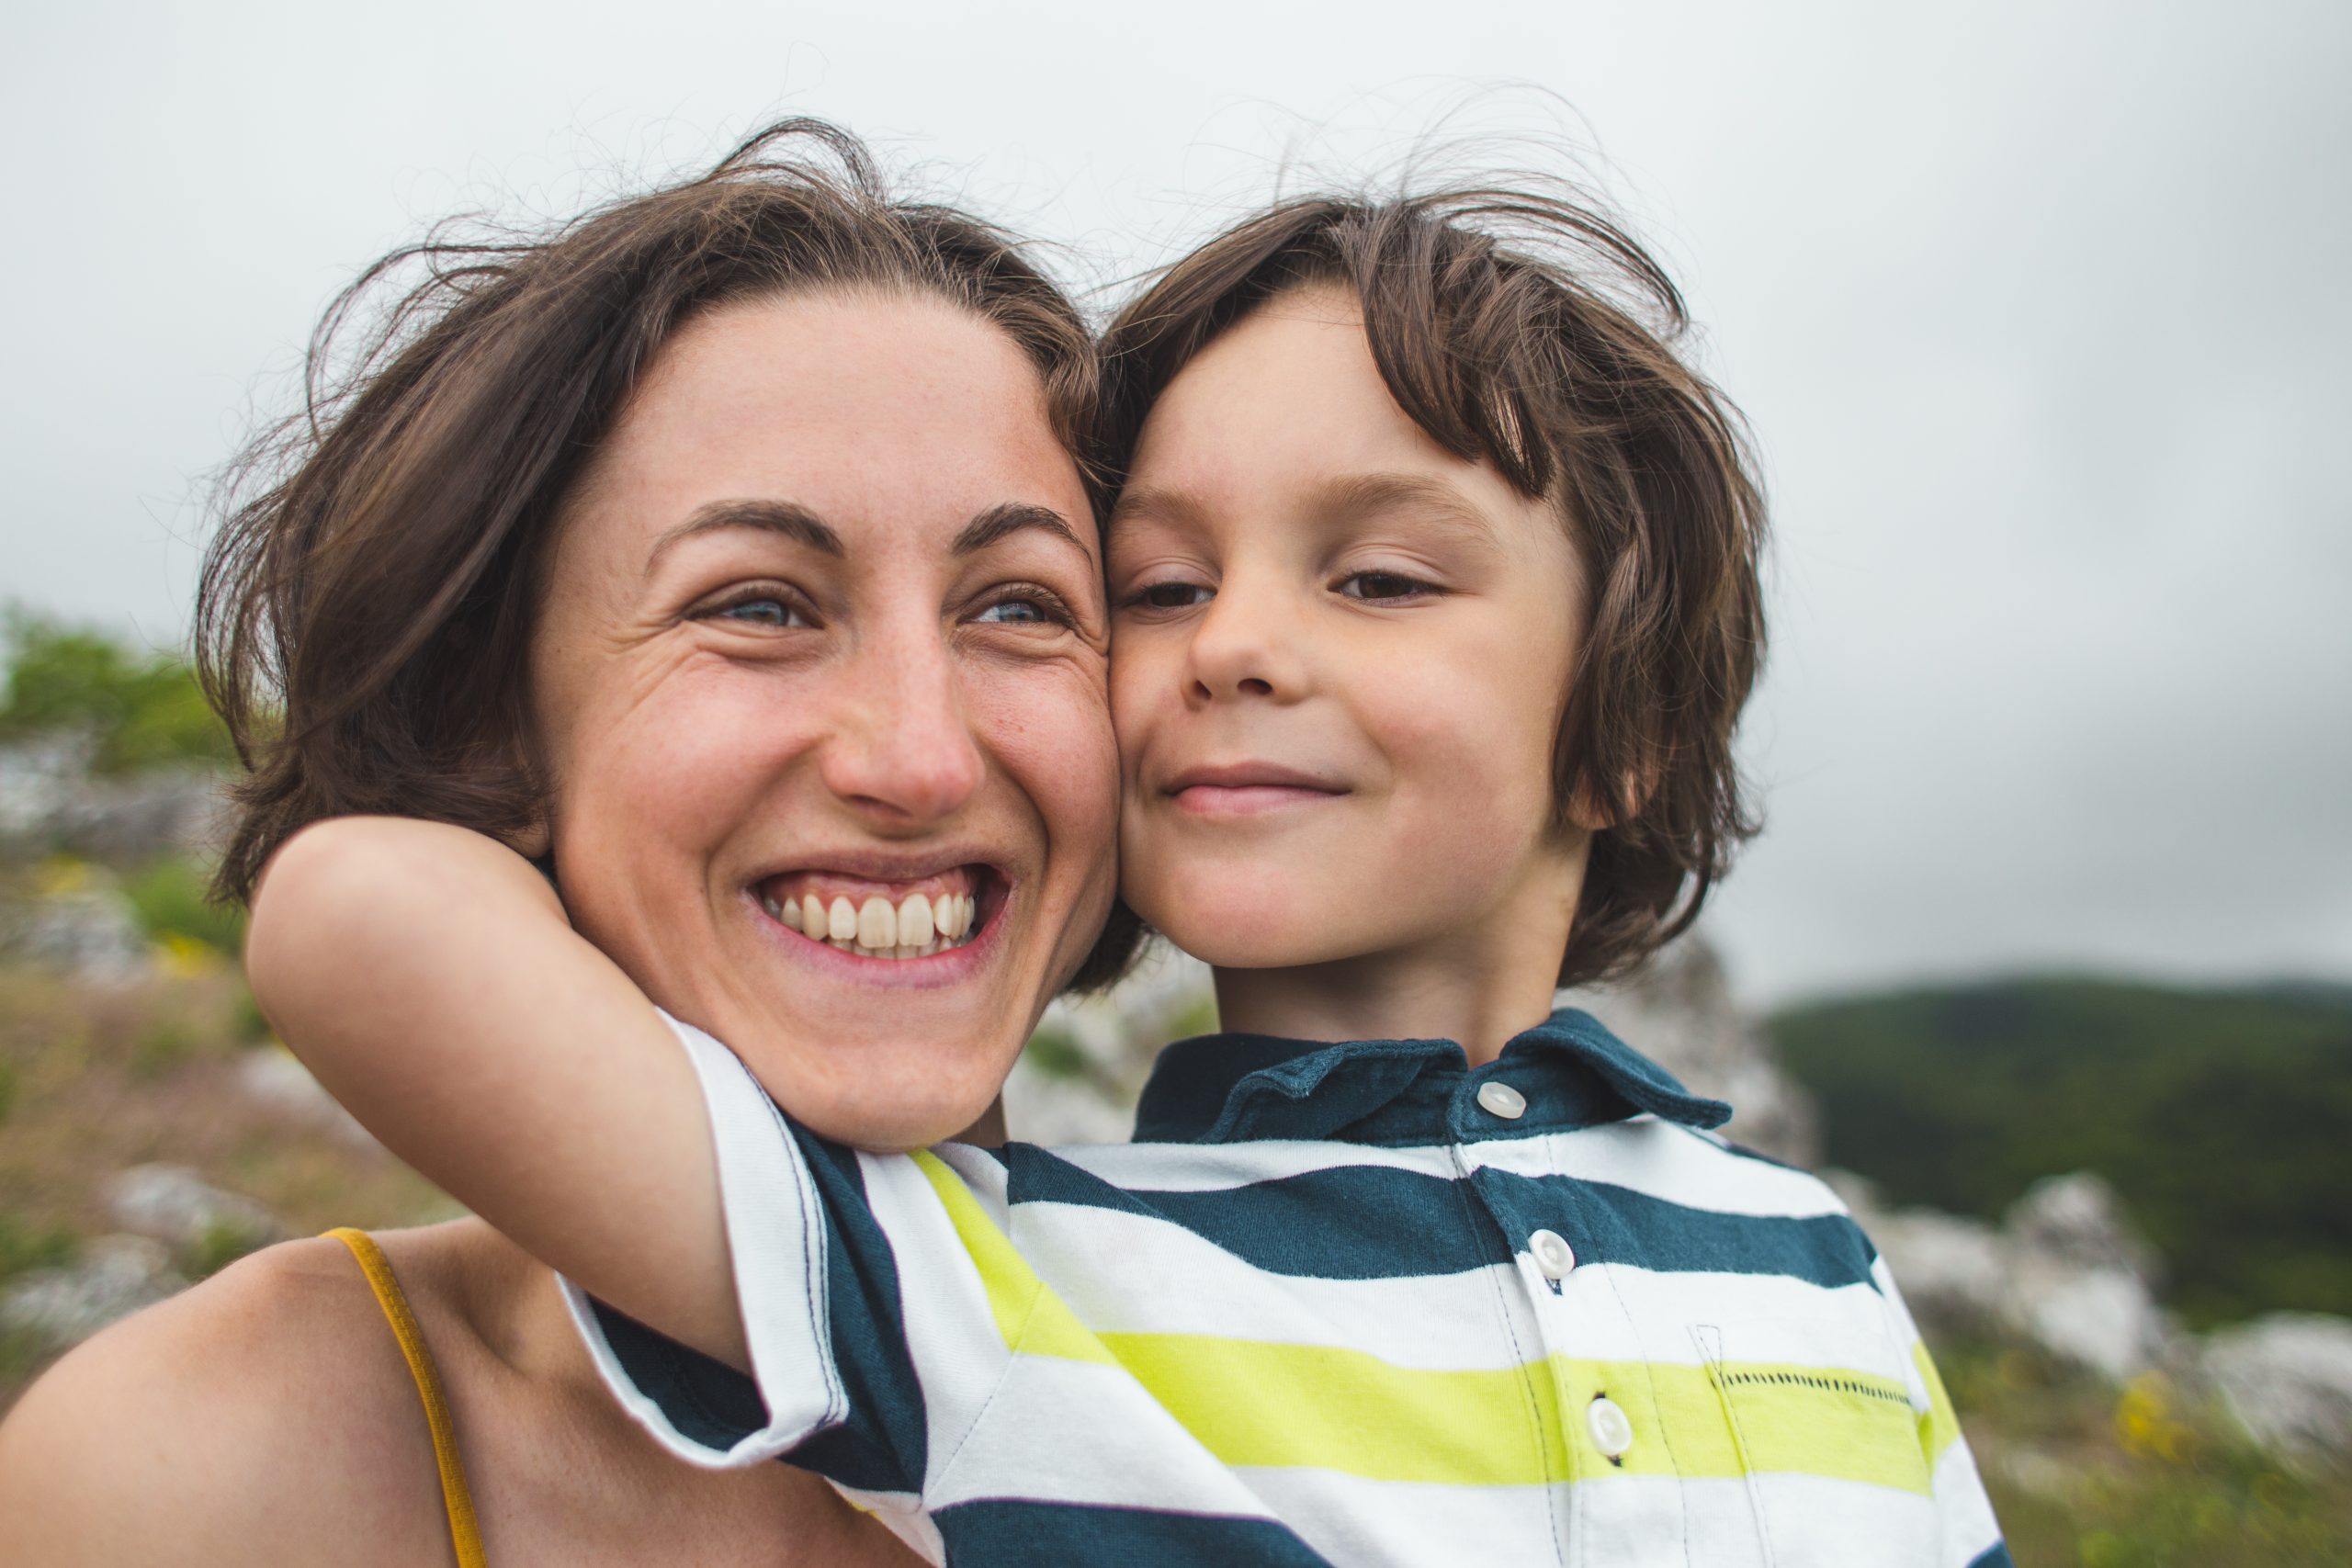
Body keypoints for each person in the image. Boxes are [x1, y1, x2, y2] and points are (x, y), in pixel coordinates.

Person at [223, 185, 2011, 1565]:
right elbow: (352, 907)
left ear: (1616, 726)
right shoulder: (1015, 1278)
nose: (1231, 642)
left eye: (1377, 577)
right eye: (1151, 588)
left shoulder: (1814, 1257)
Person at [0, 119, 1133, 1567]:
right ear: (496, 736)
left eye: (1020, 606)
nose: (917, 757)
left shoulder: (1347, 1359)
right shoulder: (205, 1475)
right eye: (761, 606)